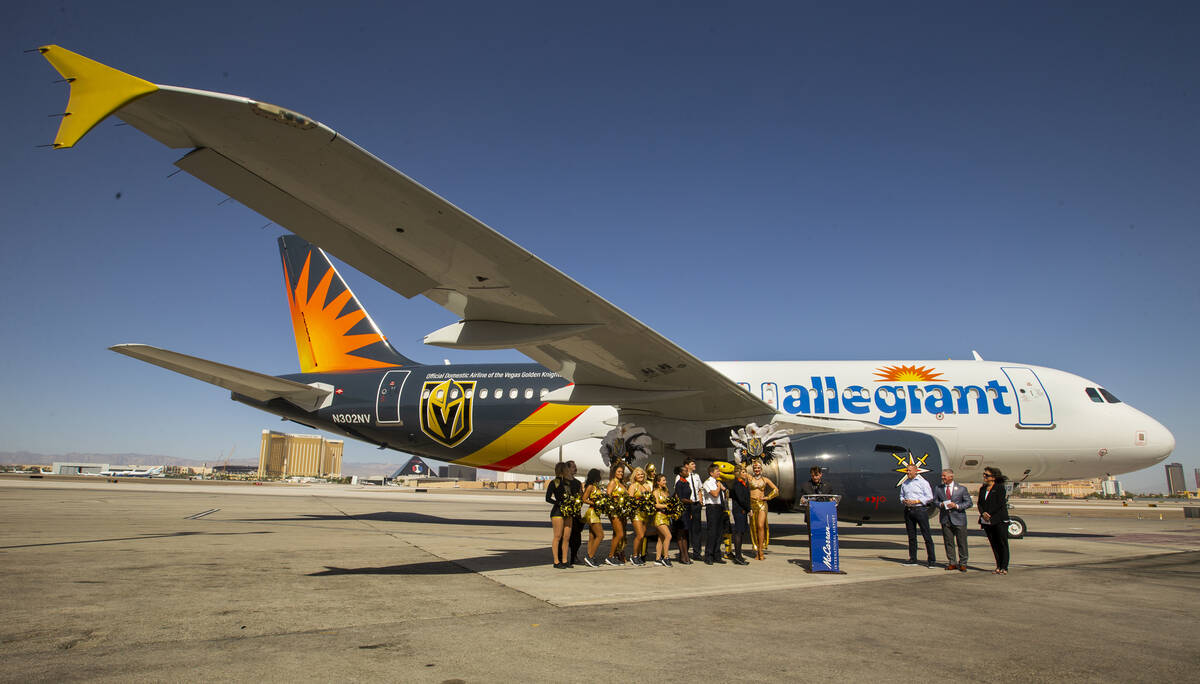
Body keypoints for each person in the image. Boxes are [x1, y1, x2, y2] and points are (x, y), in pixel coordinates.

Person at [934, 468, 973, 572]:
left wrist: (956, 506)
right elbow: (935, 501)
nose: (943, 478)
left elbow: (969, 503)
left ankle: (963, 563)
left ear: (951, 476)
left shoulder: (961, 489)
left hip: (959, 519)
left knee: (962, 542)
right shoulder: (938, 488)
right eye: (942, 476)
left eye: (944, 476)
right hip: (945, 519)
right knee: (948, 542)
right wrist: (941, 504)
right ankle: (952, 562)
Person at [899, 463, 936, 567]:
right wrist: (904, 501)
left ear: (916, 471)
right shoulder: (905, 483)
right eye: (907, 471)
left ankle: (931, 560)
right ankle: (913, 559)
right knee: (911, 536)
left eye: (910, 471)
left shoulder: (923, 482)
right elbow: (901, 495)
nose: (908, 472)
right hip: (908, 510)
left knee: (926, 535)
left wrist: (916, 501)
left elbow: (929, 497)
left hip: (920, 510)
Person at [978, 466, 1010, 574]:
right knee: (994, 544)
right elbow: (979, 503)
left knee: (1002, 543)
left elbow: (1000, 503)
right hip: (987, 520)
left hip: (999, 519)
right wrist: (983, 513)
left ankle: (1004, 567)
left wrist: (989, 514)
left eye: (986, 475)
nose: (984, 476)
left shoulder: (1000, 488)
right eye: (984, 474)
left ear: (993, 477)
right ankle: (998, 565)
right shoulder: (983, 488)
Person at [748, 460, 779, 561]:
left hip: (762, 504)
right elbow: (740, 474)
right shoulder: (749, 478)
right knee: (754, 527)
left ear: (761, 469)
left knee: (761, 526)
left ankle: (761, 550)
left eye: (758, 468)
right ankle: (756, 550)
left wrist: (768, 497)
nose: (757, 470)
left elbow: (776, 490)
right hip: (752, 504)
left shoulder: (765, 480)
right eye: (755, 468)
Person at [544, 462, 573, 569]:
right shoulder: (555, 482)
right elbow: (547, 498)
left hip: (568, 511)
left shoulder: (568, 482)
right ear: (562, 470)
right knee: (557, 537)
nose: (568, 470)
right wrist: (558, 503)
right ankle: (556, 561)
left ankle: (565, 560)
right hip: (558, 512)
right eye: (566, 469)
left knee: (566, 537)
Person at [702, 463, 727, 564]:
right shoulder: (708, 482)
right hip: (712, 508)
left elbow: (725, 492)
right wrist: (719, 487)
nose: (719, 473)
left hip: (719, 507)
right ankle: (709, 555)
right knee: (712, 532)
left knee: (719, 532)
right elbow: (715, 494)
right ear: (711, 473)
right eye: (717, 471)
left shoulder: (718, 482)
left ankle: (717, 554)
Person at [580, 468, 605, 567]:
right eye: (599, 475)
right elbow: (584, 499)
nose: (600, 477)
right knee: (600, 535)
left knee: (592, 536)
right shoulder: (590, 486)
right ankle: (590, 556)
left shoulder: (596, 486)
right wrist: (595, 503)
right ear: (595, 476)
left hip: (596, 513)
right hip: (592, 513)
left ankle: (590, 557)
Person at [605, 462, 629, 565]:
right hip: (615, 512)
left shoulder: (621, 483)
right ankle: (610, 556)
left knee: (618, 535)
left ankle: (616, 554)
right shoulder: (612, 483)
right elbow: (608, 496)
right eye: (619, 471)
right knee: (620, 534)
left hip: (623, 513)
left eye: (622, 472)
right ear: (614, 472)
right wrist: (616, 505)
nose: (621, 473)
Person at [728, 464, 751, 565]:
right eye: (743, 472)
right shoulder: (737, 484)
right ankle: (737, 556)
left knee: (741, 532)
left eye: (745, 472)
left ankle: (739, 555)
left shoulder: (743, 483)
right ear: (738, 473)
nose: (745, 474)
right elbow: (741, 499)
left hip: (742, 510)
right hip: (739, 510)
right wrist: (748, 508)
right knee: (739, 532)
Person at [627, 467, 650, 566]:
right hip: (636, 513)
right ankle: (634, 555)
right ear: (634, 477)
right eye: (638, 474)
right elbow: (630, 501)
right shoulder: (633, 486)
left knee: (643, 536)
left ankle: (639, 555)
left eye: (642, 474)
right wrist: (639, 502)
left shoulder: (647, 487)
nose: (641, 476)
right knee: (639, 535)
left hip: (645, 514)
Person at [672, 465, 694, 564]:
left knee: (685, 534)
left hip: (687, 510)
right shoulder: (679, 483)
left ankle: (685, 555)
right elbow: (680, 498)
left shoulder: (686, 483)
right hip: (681, 511)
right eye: (685, 471)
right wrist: (691, 501)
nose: (687, 472)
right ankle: (683, 555)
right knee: (681, 534)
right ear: (681, 473)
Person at [651, 473, 674, 566]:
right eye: (663, 480)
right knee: (668, 536)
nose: (665, 482)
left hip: (666, 516)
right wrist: (666, 506)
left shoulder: (665, 491)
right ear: (658, 482)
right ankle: (666, 557)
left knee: (661, 538)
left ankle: (657, 558)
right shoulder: (655, 492)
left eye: (665, 480)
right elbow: (656, 504)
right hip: (659, 517)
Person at [685, 458, 704, 562]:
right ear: (687, 465)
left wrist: (701, 501)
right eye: (692, 464)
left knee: (697, 529)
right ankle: (685, 552)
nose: (694, 465)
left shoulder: (696, 476)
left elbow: (699, 489)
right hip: (688, 504)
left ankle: (697, 552)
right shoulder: (681, 476)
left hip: (696, 504)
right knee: (687, 529)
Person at [566, 460, 583, 565]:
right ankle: (562, 558)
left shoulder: (577, 483)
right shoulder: (563, 482)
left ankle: (574, 556)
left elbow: (581, 496)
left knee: (577, 538)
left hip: (576, 514)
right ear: (567, 469)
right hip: (566, 514)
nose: (575, 468)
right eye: (573, 467)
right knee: (565, 537)